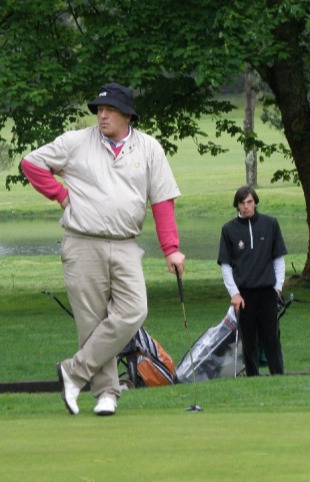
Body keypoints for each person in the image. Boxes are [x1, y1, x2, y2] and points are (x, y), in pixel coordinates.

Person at [20, 83, 185, 416]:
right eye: (99, 109)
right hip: (82, 243)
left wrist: (171, 248)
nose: (102, 115)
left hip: (125, 244)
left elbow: (162, 199)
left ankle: (73, 371)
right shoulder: (76, 142)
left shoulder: (150, 148)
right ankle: (106, 393)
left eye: (109, 110)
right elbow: (31, 164)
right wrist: (61, 195)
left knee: (134, 311)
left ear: (127, 115)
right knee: (92, 322)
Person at [217, 186, 287, 377]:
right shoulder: (229, 230)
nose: (246, 206)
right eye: (242, 203)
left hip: (267, 293)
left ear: (255, 202)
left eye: (249, 202)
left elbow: (278, 259)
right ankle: (253, 378)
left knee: (272, 339)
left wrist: (277, 288)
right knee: (248, 342)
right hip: (244, 295)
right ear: (237, 205)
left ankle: (278, 376)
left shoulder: (270, 224)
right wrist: (234, 294)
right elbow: (226, 266)